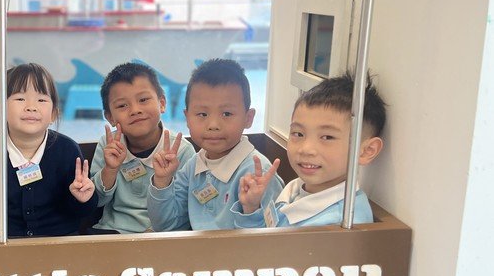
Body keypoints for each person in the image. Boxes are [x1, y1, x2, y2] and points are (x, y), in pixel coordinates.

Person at [0, 63, 98, 239]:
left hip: (58, 242)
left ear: (53, 114)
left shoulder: (67, 151)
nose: (31, 107)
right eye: (20, 99)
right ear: (0, 110)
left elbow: (81, 212)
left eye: (41, 100)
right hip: (2, 242)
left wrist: (83, 199)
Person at [233, 73, 385, 227]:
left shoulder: (340, 223)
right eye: (298, 134)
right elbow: (266, 236)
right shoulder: (297, 187)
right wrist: (251, 208)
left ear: (366, 151)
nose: (306, 149)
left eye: (327, 137)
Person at [147, 58, 283, 231]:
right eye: (202, 114)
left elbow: (271, 240)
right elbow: (165, 226)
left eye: (226, 114)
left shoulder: (259, 174)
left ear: (248, 118)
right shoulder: (194, 165)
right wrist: (162, 181)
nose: (213, 125)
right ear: (187, 118)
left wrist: (251, 209)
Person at [91, 62, 195, 234]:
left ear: (162, 103)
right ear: (110, 117)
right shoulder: (108, 145)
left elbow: (185, 211)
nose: (135, 110)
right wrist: (110, 169)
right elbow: (96, 201)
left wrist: (153, 234)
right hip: (111, 233)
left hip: (162, 235)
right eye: (122, 105)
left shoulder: (181, 151)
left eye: (143, 100)